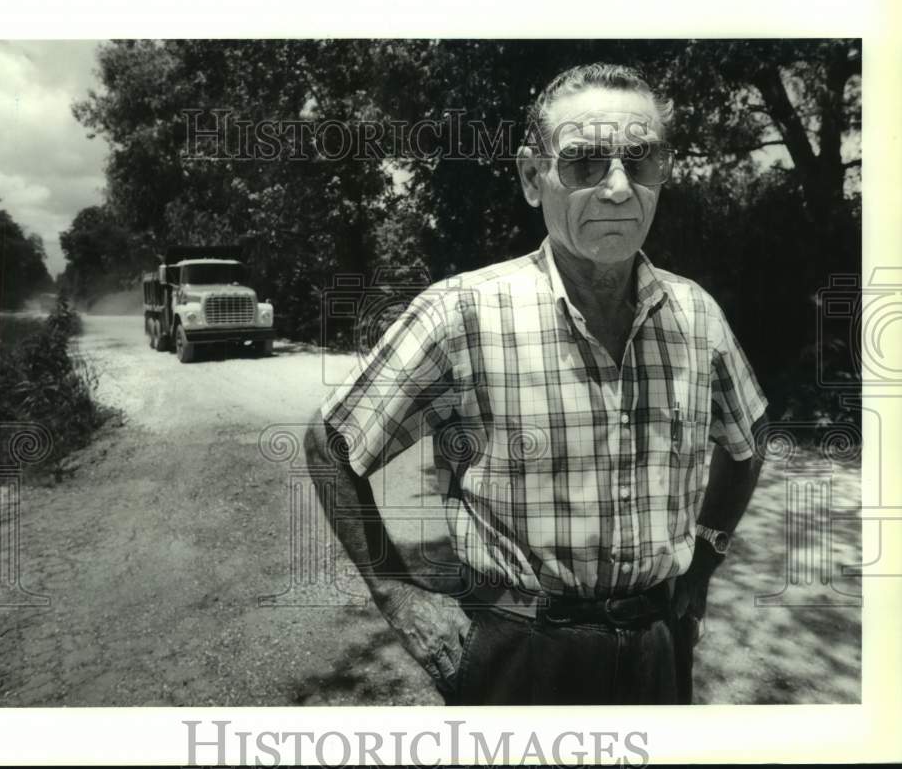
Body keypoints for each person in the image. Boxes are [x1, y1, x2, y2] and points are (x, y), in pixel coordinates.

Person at [304, 63, 768, 705]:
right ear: (532, 176)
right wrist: (397, 590)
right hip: (519, 653)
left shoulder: (697, 315)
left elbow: (750, 439)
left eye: (641, 160)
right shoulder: (461, 314)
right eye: (583, 162)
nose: (616, 188)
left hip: (660, 648)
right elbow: (332, 442)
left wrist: (709, 553)